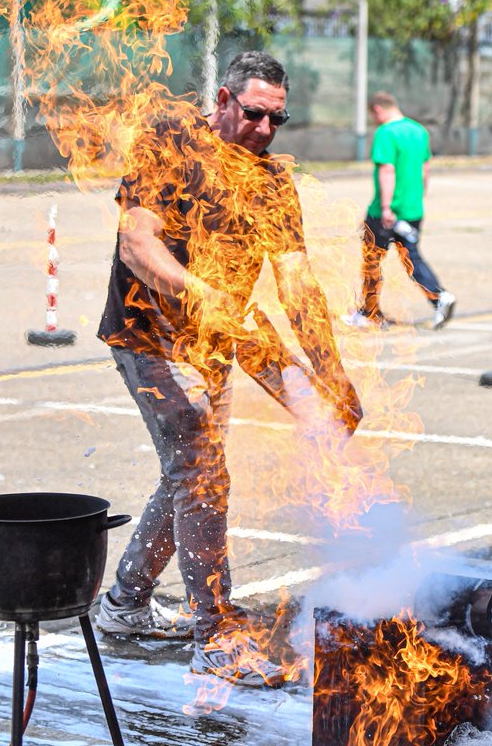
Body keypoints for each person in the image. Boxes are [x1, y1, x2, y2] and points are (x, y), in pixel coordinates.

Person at [95, 51, 361, 689]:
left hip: (219, 344)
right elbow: (138, 243)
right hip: (151, 338)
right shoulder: (169, 144)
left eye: (278, 119)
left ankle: (124, 604)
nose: (265, 130)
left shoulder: (271, 179)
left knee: (187, 474)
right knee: (203, 471)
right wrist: (202, 296)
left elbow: (296, 286)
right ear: (223, 100)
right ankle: (213, 632)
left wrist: (331, 376)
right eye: (254, 114)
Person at [345, 92, 455, 330]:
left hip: (385, 212)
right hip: (413, 210)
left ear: (377, 110)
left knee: (372, 260)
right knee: (411, 257)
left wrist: (386, 207)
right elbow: (425, 168)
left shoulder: (386, 132)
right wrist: (417, 197)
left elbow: (387, 170)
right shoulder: (419, 131)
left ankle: (369, 312)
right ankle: (439, 297)